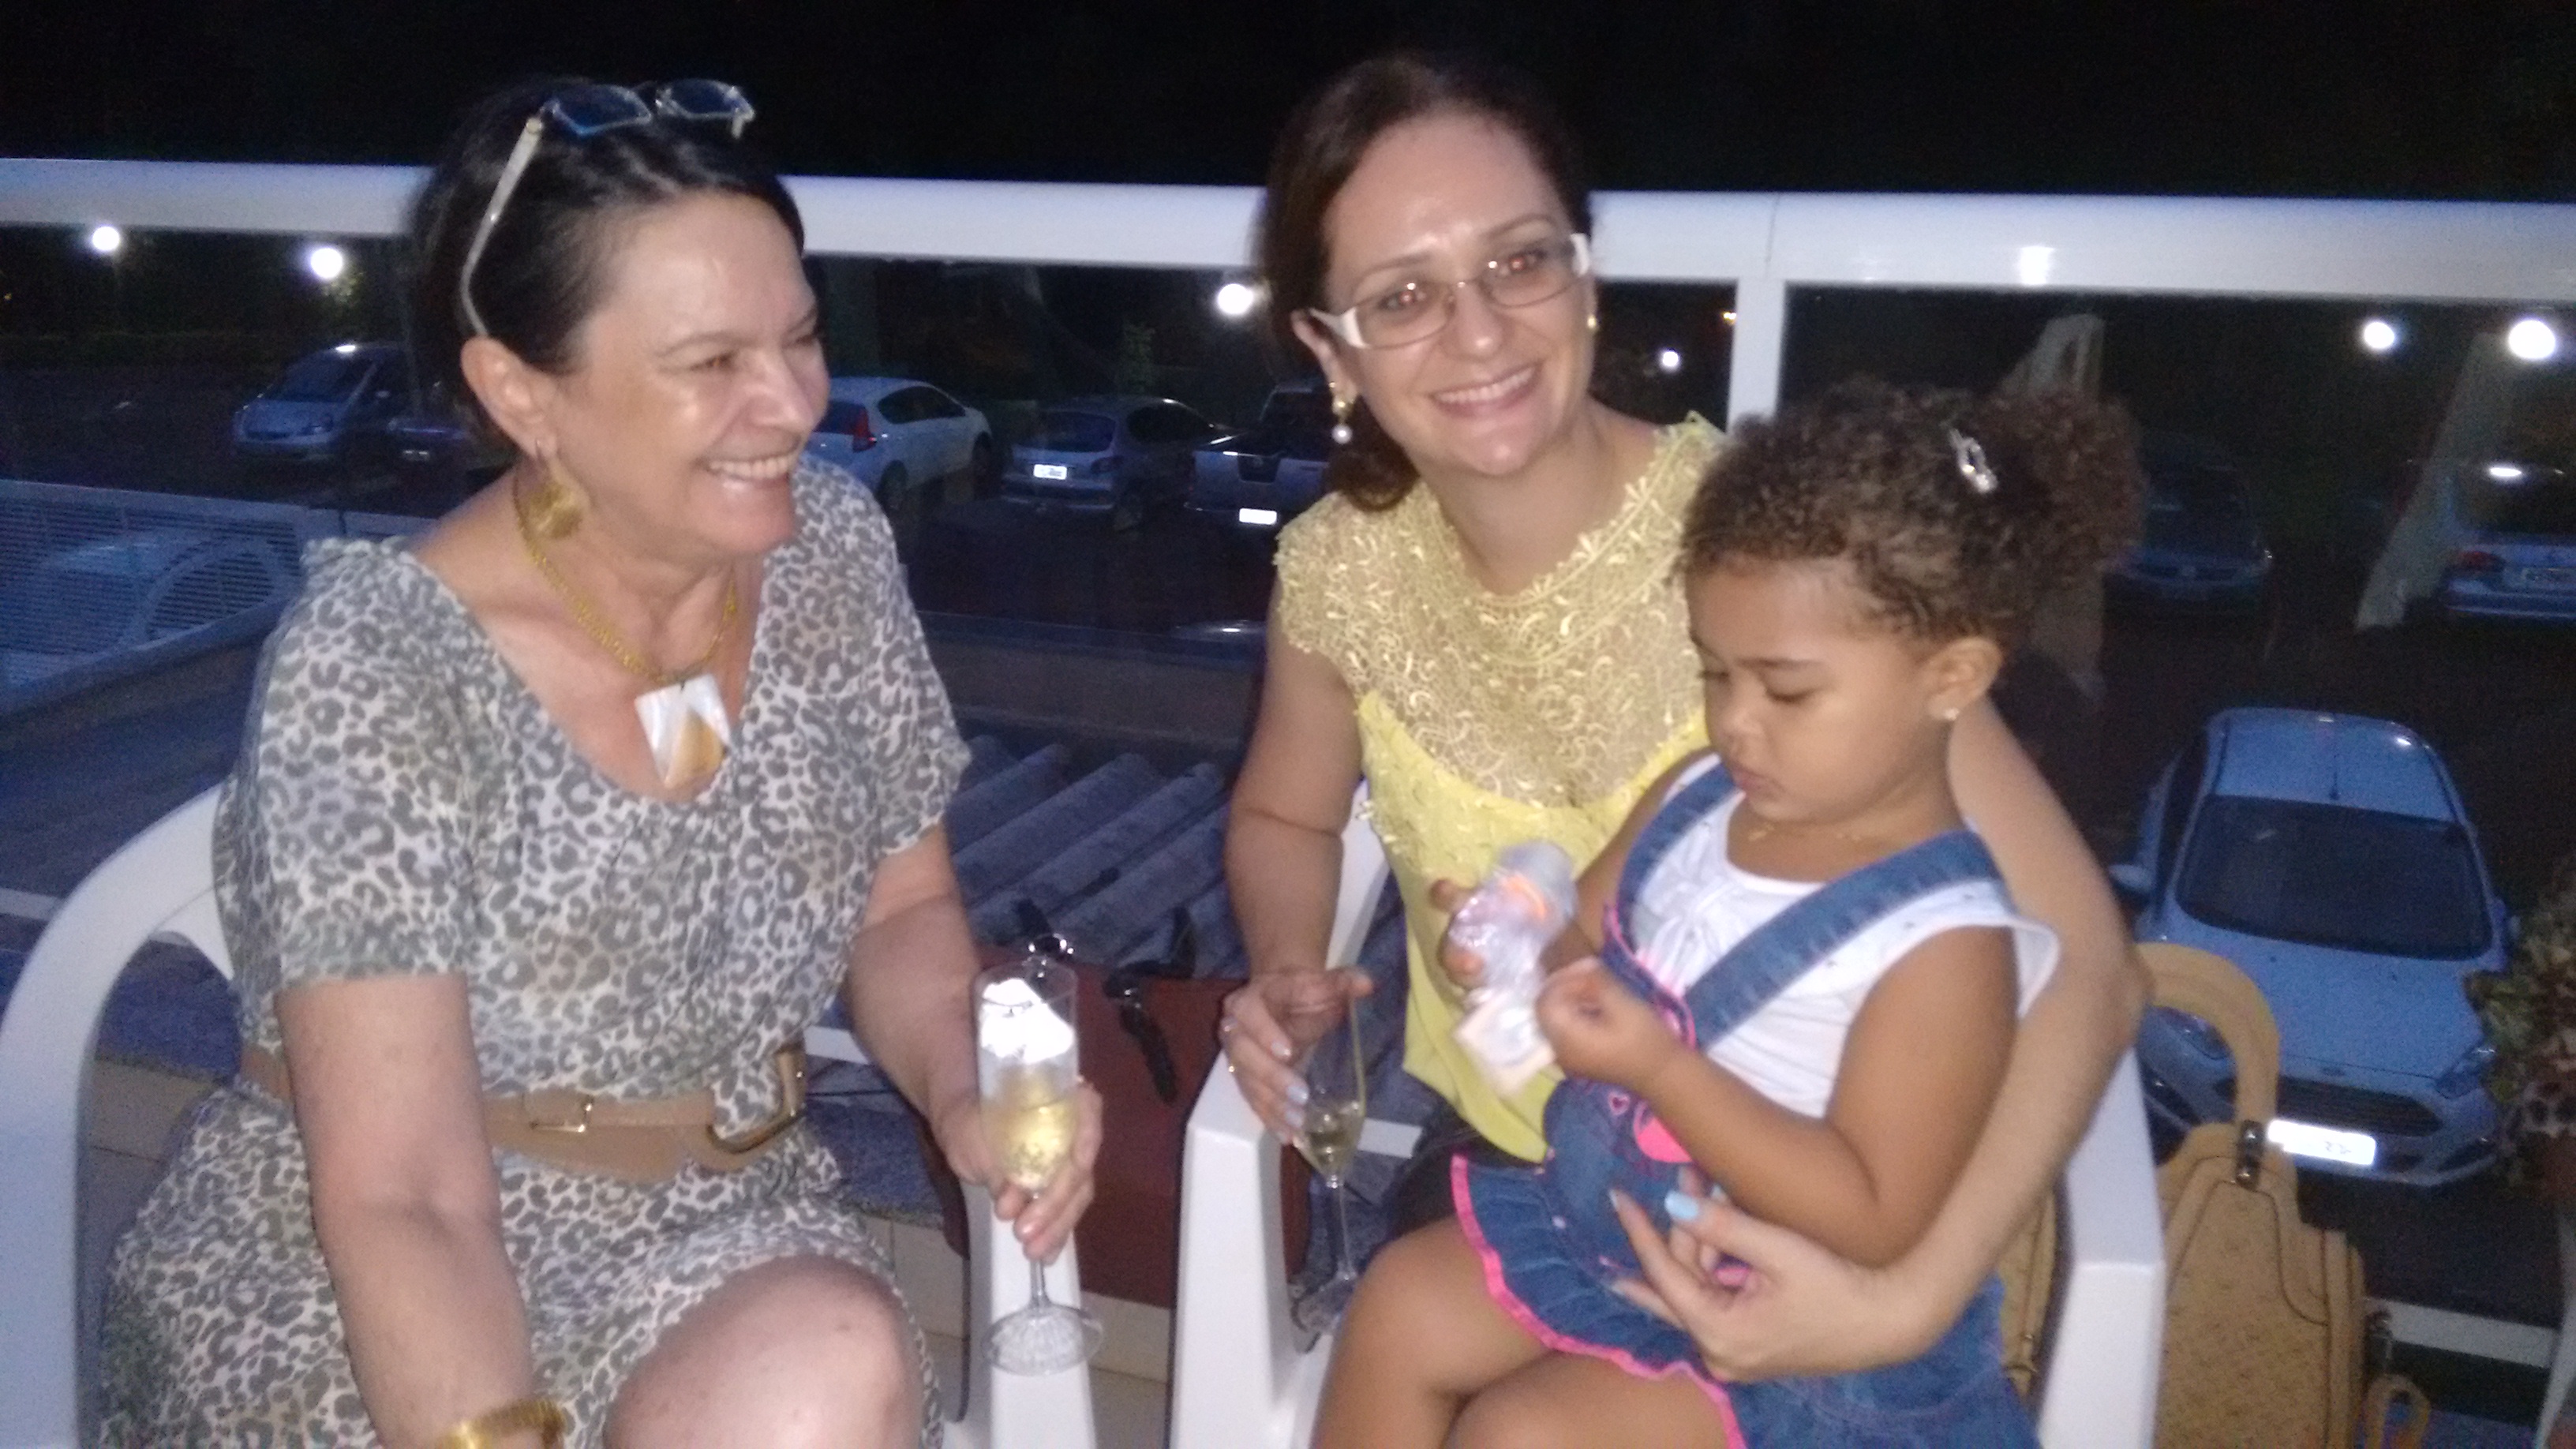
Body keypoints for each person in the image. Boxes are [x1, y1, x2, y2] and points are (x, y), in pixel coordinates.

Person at [96, 77, 1099, 1448]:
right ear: (522, 392)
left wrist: (959, 1083)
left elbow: (904, 908)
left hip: (731, 1225)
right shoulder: (380, 665)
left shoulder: (829, 554)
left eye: (801, 335)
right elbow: (404, 1194)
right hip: (379, 1273)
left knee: (823, 1365)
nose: (793, 403)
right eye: (711, 362)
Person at [1216, 49, 2144, 1389]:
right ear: (1329, 347)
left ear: (1584, 276)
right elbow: (1283, 813)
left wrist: (1900, 1304)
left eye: (1520, 262)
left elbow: (2092, 969)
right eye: (1404, 296)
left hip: (1788, 1211)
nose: (1480, 332)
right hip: (1512, 1169)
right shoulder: (1339, 572)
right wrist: (1285, 966)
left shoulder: (1767, 562)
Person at [1318, 379, 2142, 1446]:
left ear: (1953, 676)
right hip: (1613, 1231)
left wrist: (1661, 1070)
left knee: (1526, 1435)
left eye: (1787, 691)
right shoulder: (1694, 799)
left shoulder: (1947, 946)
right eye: (1715, 673)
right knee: (1400, 1306)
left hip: (1794, 1325)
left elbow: (1872, 1214)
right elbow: (1583, 941)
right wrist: (1516, 938)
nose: (1736, 724)